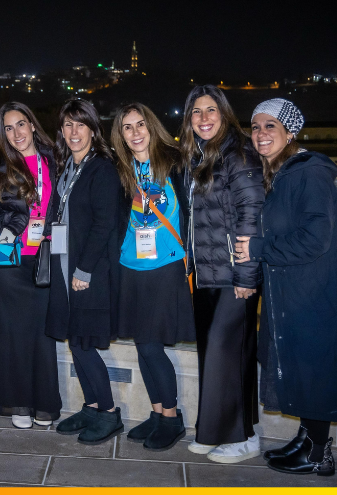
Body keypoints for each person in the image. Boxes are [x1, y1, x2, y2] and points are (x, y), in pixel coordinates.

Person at [234, 99, 337, 476]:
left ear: (290, 133)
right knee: (308, 369)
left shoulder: (309, 173)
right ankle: (308, 440)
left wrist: (258, 248)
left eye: (270, 126)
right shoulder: (285, 171)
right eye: (255, 127)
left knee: (316, 370)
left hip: (316, 293)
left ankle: (318, 453)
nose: (260, 134)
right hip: (298, 290)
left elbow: (316, 238)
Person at [178, 85, 265, 463]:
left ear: (225, 113)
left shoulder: (239, 153)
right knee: (213, 357)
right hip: (207, 274)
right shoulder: (199, 156)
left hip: (233, 275)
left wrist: (246, 276)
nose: (203, 119)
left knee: (231, 354)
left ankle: (245, 438)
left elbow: (251, 214)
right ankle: (214, 431)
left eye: (211, 110)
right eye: (196, 112)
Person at [108, 102, 195, 450]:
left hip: (167, 266)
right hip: (131, 266)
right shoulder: (122, 169)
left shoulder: (175, 162)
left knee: (152, 345)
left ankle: (172, 418)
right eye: (127, 127)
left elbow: (193, 208)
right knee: (143, 345)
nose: (135, 132)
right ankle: (158, 412)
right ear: (121, 136)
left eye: (140, 124)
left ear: (152, 125)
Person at [0, 101, 62, 428]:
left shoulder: (55, 161)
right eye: (8, 128)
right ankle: (19, 403)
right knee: (12, 337)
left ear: (33, 125)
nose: (16, 133)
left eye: (20, 124)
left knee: (41, 335)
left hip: (43, 261)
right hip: (6, 264)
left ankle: (44, 403)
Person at [47, 99, 124, 444]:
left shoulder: (102, 169)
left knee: (83, 343)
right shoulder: (67, 168)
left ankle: (109, 412)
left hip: (86, 270)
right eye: (67, 125)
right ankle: (91, 406)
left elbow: (104, 224)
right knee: (74, 342)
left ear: (93, 130)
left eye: (80, 125)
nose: (74, 132)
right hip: (64, 264)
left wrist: (84, 270)